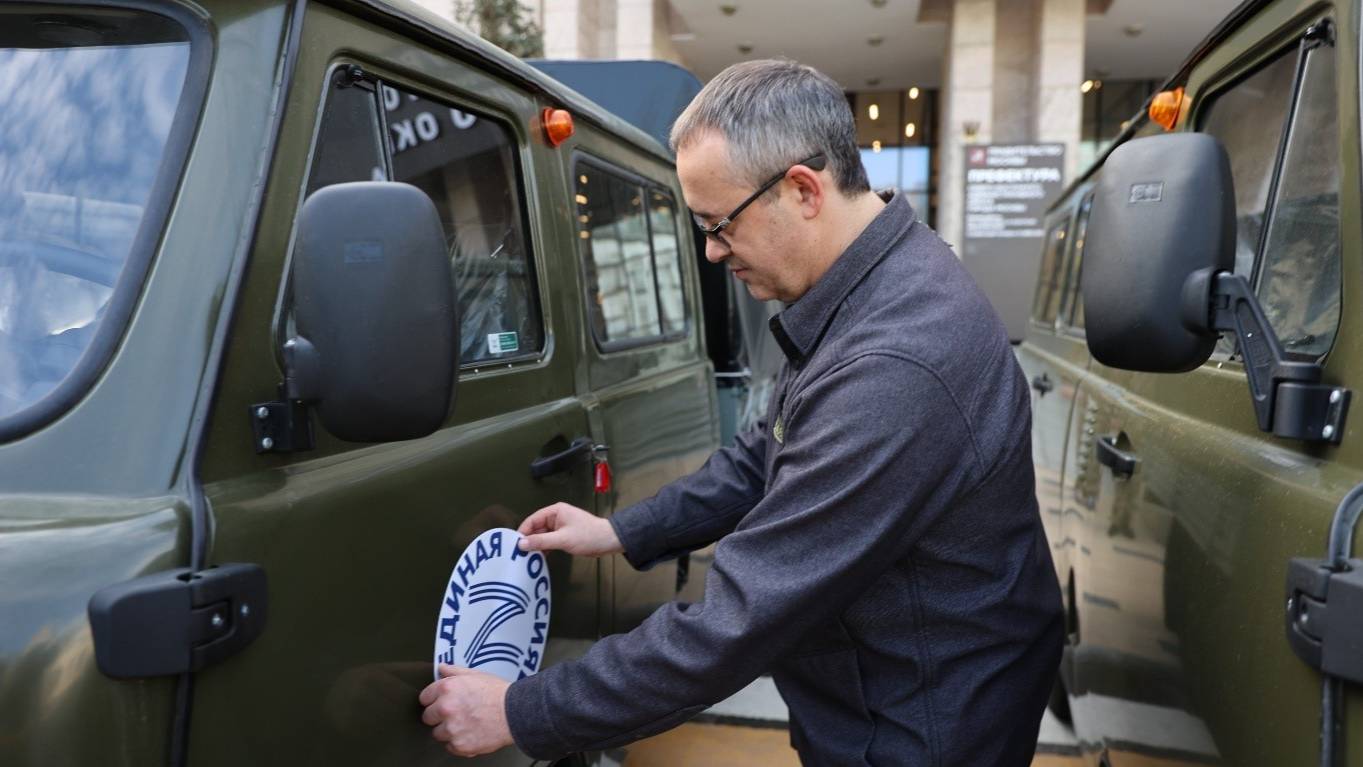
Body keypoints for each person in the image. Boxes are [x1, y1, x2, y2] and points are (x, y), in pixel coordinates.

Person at [420, 58, 1064, 765]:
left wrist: (522, 709)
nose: (711, 249)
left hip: (922, 724)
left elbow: (738, 620)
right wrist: (622, 531)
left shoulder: (894, 366)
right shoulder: (865, 287)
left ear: (800, 189)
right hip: (900, 688)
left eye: (719, 223)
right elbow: (768, 448)